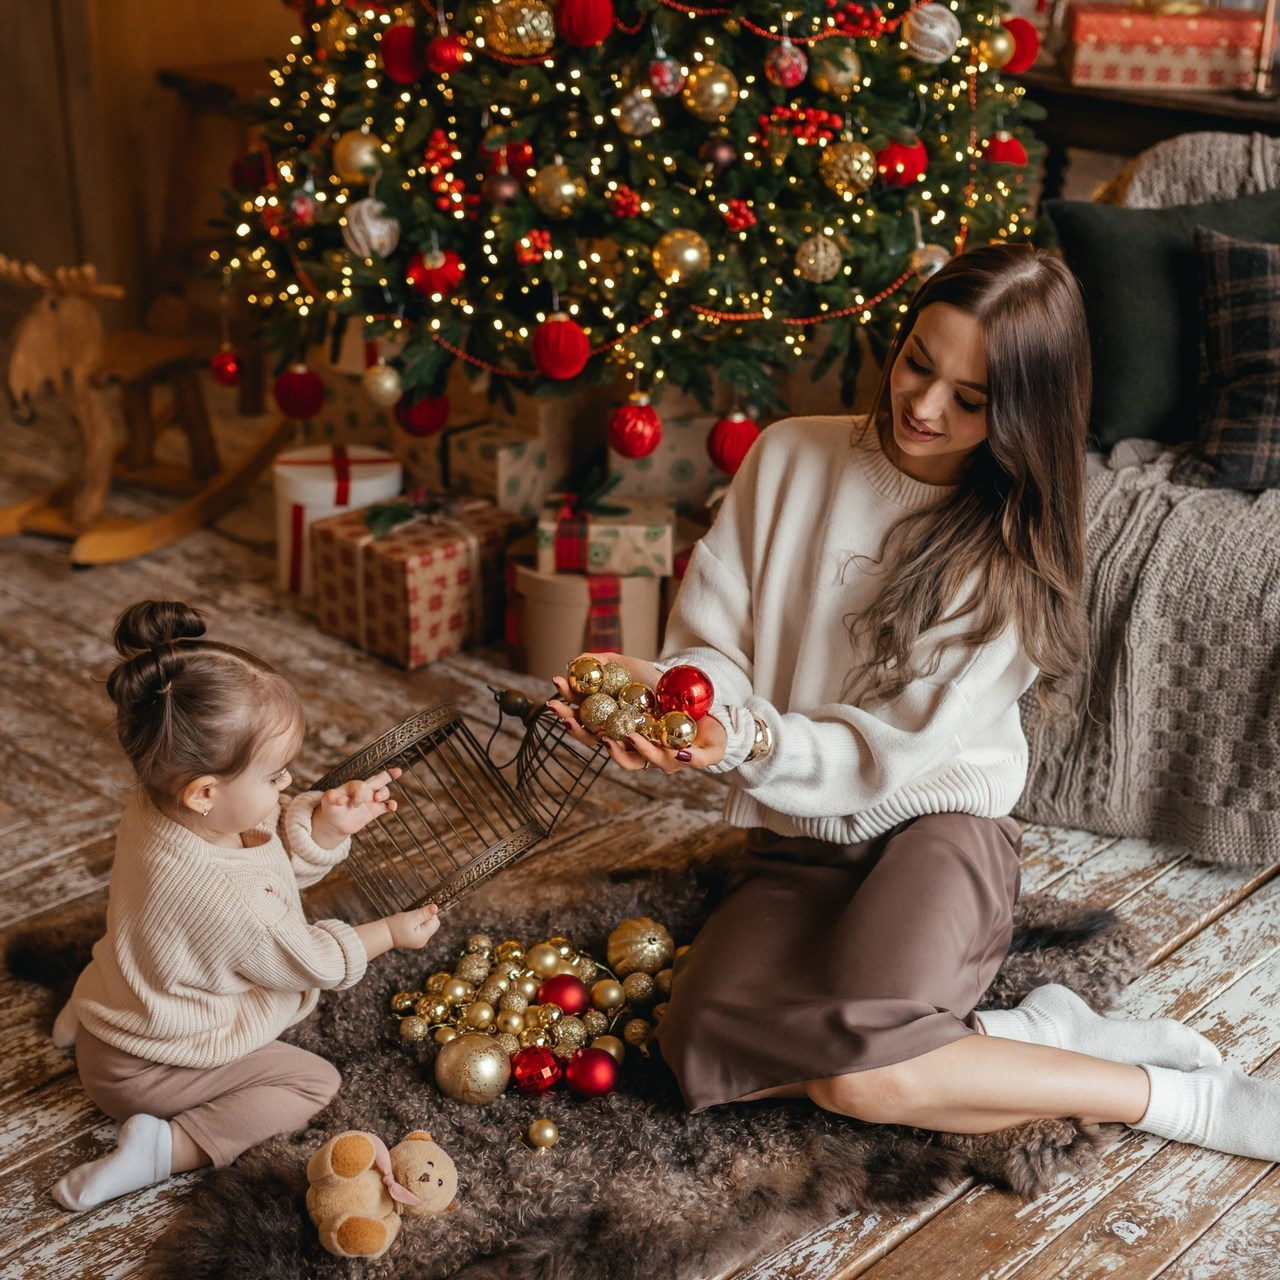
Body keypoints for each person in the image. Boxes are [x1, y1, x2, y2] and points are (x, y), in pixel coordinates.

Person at [550, 243, 1280, 1165]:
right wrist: (674, 709)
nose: (924, 407)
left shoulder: (1009, 547)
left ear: (1023, 413)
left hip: (938, 831)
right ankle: (1031, 1040)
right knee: (695, 1051)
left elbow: (885, 753)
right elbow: (713, 646)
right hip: (799, 835)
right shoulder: (786, 458)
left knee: (864, 1077)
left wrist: (735, 739)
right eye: (916, 364)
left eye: (970, 400)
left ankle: (1176, 1095)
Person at [50, 599, 440, 1213]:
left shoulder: (157, 807)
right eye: (277, 777)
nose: (289, 787)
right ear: (205, 792)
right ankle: (162, 1147)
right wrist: (389, 932)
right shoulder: (224, 898)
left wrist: (329, 828)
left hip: (116, 1017)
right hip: (149, 1073)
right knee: (312, 1083)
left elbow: (265, 867)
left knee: (141, 941)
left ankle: (84, 1017)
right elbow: (306, 957)